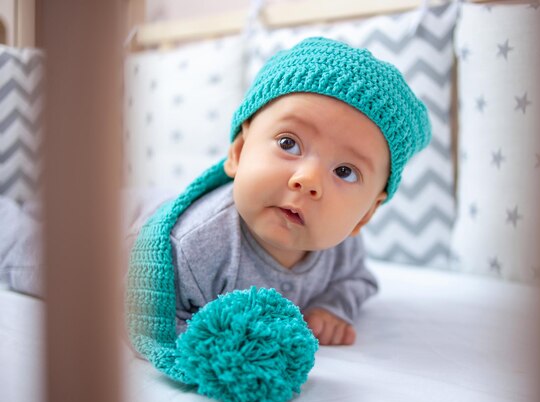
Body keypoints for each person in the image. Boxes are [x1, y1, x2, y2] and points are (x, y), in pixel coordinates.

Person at [2, 37, 431, 349]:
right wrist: (213, 339)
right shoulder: (195, 245)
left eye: (345, 171)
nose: (308, 179)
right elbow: (137, 307)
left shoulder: (341, 250)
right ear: (240, 153)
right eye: (288, 144)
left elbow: (356, 280)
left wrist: (335, 308)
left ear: (364, 217)